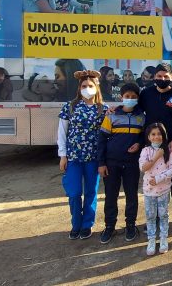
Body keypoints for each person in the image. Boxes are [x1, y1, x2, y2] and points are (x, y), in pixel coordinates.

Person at [137, 63, 172, 233]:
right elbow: (136, 111)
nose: (162, 79)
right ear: (154, 77)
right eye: (159, 76)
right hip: (152, 146)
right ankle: (155, 217)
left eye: (166, 77)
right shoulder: (146, 94)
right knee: (153, 181)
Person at [57, 70, 108, 240]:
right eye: (84, 86)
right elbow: (62, 132)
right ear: (79, 88)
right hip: (74, 157)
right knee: (74, 192)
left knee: (91, 192)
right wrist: (63, 155)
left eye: (90, 86)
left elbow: (106, 134)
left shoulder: (103, 109)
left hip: (93, 158)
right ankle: (76, 223)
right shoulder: (70, 107)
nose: (87, 89)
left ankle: (87, 224)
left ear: (96, 88)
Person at [97, 83, 145, 244]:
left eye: (133, 97)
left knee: (132, 195)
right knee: (111, 196)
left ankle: (130, 225)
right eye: (127, 96)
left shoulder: (141, 117)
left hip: (132, 163)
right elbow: (101, 140)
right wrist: (101, 163)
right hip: (112, 163)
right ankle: (109, 226)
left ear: (138, 98)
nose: (130, 99)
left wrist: (139, 144)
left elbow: (144, 137)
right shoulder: (111, 115)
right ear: (121, 97)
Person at [139, 122, 172, 255]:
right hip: (149, 191)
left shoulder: (169, 151)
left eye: (159, 134)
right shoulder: (145, 151)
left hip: (164, 191)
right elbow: (143, 168)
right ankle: (151, 239)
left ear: (163, 135)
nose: (156, 137)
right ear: (148, 137)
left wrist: (159, 178)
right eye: (153, 134)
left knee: (163, 215)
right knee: (150, 216)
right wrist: (156, 157)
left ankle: (163, 238)